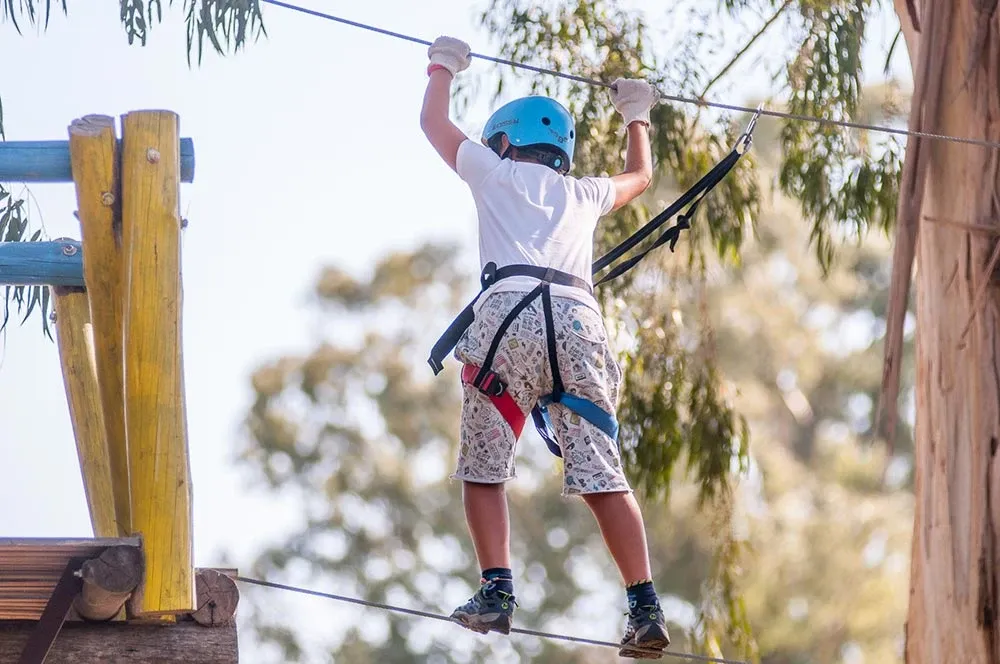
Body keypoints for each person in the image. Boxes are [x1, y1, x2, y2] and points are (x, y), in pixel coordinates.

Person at [419, 35, 670, 659]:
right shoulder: (583, 192)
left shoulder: (491, 169)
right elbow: (641, 175)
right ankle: (644, 604)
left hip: (508, 320)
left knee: (483, 464)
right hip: (581, 324)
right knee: (600, 470)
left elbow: (432, 122)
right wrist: (636, 112)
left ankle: (497, 590)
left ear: (503, 141)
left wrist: (443, 64)